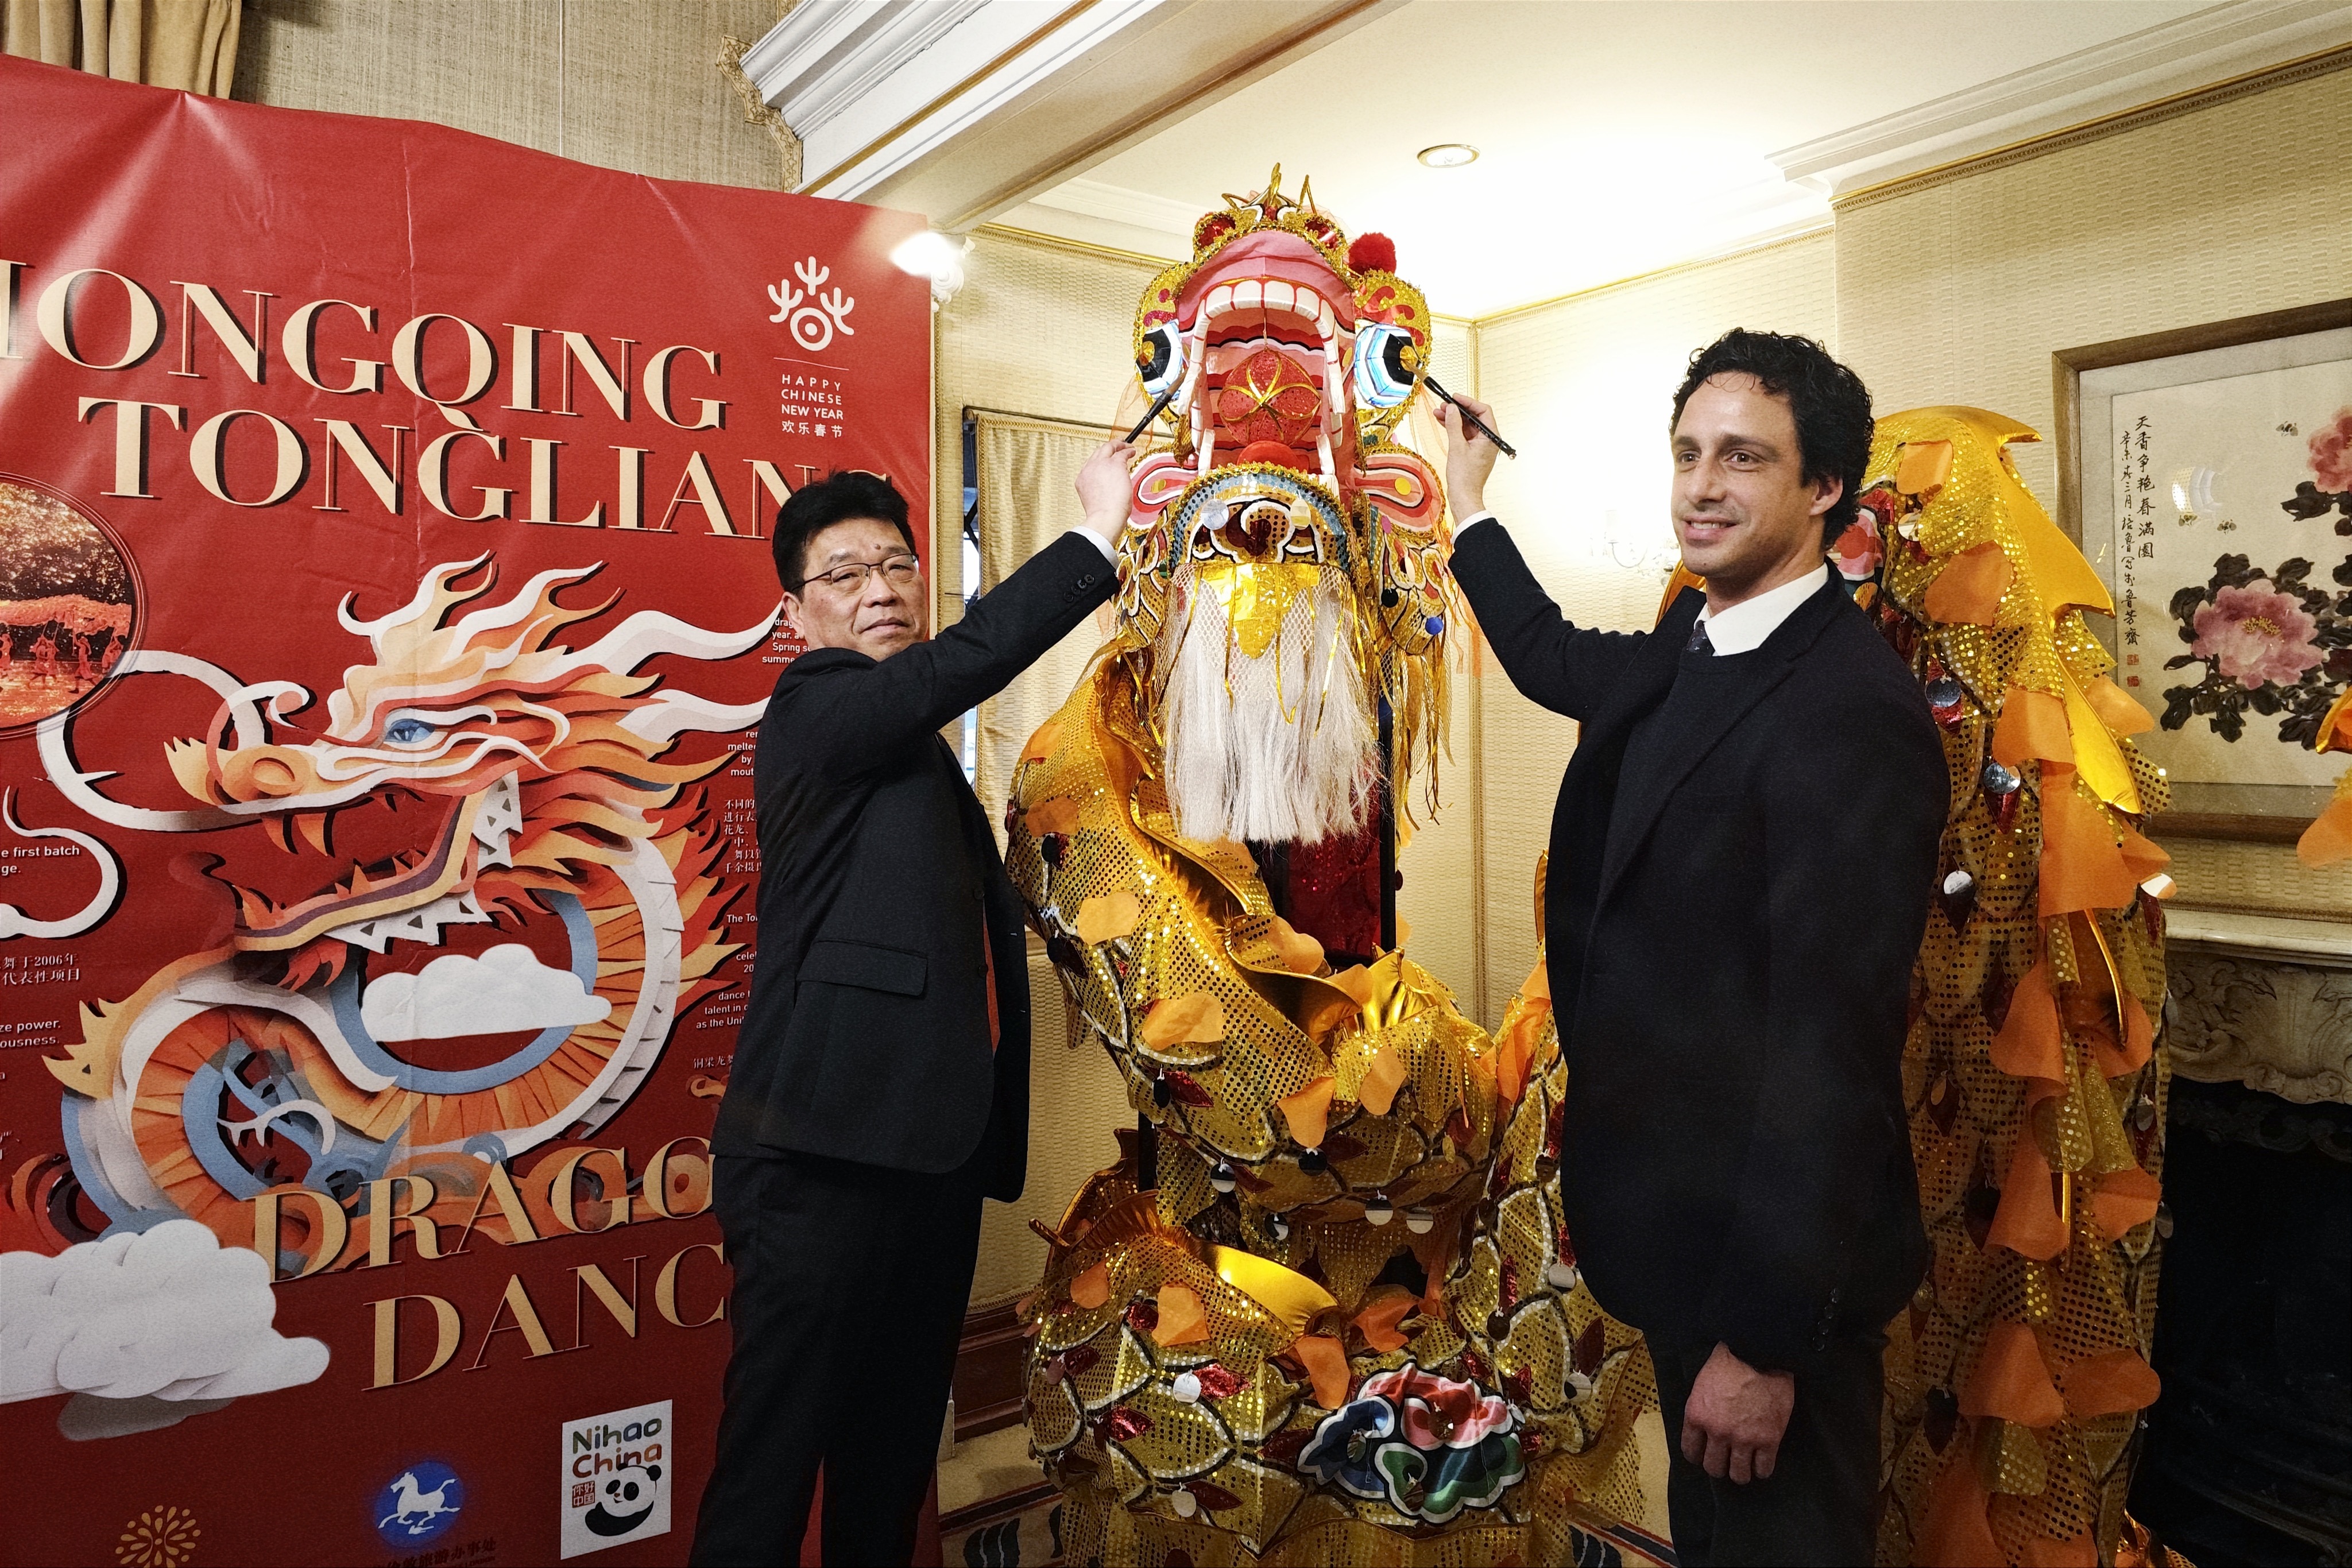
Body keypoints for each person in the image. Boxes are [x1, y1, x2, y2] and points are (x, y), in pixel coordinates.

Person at [1437, 330, 1945, 1565]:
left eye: (1742, 459)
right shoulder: (1693, 646)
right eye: (1685, 454)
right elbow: (1555, 658)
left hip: (1772, 1286)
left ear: (1822, 487)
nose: (1700, 486)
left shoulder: (1845, 710)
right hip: (1682, 1237)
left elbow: (1828, 1053)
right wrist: (1462, 504)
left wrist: (1762, 1342)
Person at [693, 450, 1132, 1566]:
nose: (880, 587)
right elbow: (954, 669)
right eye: (842, 573)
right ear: (794, 613)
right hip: (817, 1159)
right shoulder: (815, 709)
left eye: (895, 564)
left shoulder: (912, 754)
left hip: (927, 1158)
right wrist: (1098, 536)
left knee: (887, 1471)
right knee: (769, 1473)